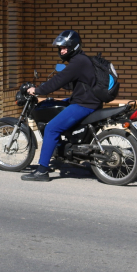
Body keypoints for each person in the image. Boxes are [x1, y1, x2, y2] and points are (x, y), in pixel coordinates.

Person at [20, 30, 100, 182]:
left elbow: (58, 80)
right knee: (56, 105)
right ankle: (63, 148)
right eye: (61, 48)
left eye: (65, 48)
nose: (62, 51)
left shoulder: (78, 62)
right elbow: (70, 81)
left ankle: (42, 171)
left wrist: (38, 90)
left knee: (51, 128)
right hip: (85, 100)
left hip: (84, 104)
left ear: (74, 46)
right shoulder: (81, 60)